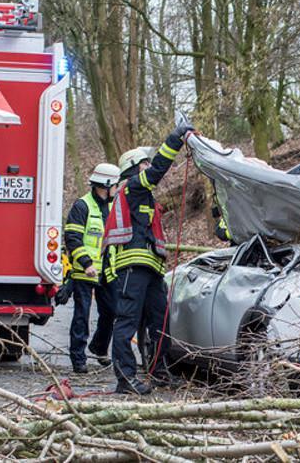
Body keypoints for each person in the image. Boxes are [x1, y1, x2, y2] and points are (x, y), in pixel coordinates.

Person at [106, 122, 193, 395]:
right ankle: (125, 379)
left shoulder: (142, 195)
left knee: (160, 321)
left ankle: (158, 372)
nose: (147, 167)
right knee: (127, 322)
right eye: (144, 164)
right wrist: (175, 140)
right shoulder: (133, 187)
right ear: (134, 168)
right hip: (133, 267)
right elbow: (157, 171)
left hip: (151, 268)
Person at [63, 163, 122, 374]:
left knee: (112, 311)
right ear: (105, 186)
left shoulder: (112, 207)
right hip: (85, 271)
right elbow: (72, 238)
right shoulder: (82, 206)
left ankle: (98, 347)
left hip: (108, 270)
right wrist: (87, 264)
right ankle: (78, 359)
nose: (116, 190)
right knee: (82, 315)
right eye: (115, 186)